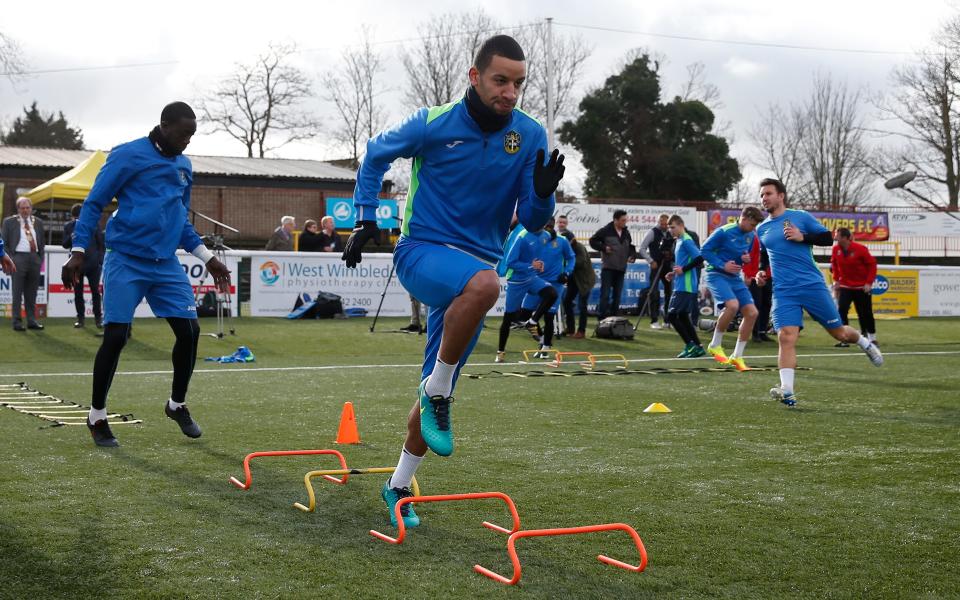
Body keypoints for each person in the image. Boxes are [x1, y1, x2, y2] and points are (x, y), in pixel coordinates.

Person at [342, 35, 563, 528]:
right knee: (488, 288)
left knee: (436, 393)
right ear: (475, 77)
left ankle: (397, 485)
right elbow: (376, 153)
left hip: (473, 269)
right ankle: (437, 389)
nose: (510, 92)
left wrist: (545, 198)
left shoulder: (529, 135)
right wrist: (366, 217)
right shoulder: (432, 122)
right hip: (423, 252)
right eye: (500, 80)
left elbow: (531, 218)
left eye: (518, 83)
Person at [61, 101, 232, 447]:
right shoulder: (128, 155)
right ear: (165, 126)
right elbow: (94, 203)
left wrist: (207, 256)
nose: (188, 141)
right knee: (116, 337)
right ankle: (96, 415)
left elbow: (180, 220)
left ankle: (176, 404)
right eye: (184, 134)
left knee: (190, 331)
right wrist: (78, 250)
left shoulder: (184, 165)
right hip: (126, 259)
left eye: (192, 135)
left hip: (165, 263)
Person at [756, 178, 882, 407]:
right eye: (762, 194)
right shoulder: (761, 228)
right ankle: (788, 390)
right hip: (784, 291)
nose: (764, 198)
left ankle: (865, 343)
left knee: (840, 334)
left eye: (768, 193)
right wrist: (761, 272)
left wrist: (802, 237)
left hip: (812, 285)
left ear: (781, 195)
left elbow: (826, 238)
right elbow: (765, 256)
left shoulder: (801, 217)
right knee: (786, 336)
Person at [701, 206, 764, 372]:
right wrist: (723, 265)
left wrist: (744, 259)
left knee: (752, 313)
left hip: (735, 277)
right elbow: (704, 250)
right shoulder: (723, 231)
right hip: (716, 274)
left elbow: (741, 256)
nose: (753, 228)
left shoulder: (751, 235)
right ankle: (715, 344)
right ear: (744, 219)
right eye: (752, 224)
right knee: (733, 305)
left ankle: (737, 356)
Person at [496, 225, 556, 362]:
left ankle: (532, 322)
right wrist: (531, 266)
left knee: (551, 293)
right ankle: (500, 352)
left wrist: (540, 264)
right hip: (516, 280)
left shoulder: (545, 235)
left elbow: (538, 254)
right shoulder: (522, 236)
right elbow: (510, 262)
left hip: (532, 278)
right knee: (509, 317)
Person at [519, 217, 574, 357]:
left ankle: (546, 347)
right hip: (536, 282)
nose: (548, 227)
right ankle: (543, 340)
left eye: (551, 224)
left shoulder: (562, 240)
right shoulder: (532, 239)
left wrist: (566, 272)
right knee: (525, 314)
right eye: (546, 224)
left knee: (549, 316)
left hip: (555, 283)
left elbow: (571, 258)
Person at [664, 215, 706, 358]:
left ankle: (690, 345)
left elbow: (700, 258)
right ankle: (698, 346)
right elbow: (683, 264)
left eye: (673, 227)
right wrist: (673, 273)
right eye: (669, 228)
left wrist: (683, 270)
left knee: (671, 315)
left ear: (681, 225)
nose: (670, 230)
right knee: (681, 316)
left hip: (685, 286)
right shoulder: (679, 240)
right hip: (682, 284)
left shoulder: (687, 240)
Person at [2, 197, 46, 331]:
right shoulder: (9, 222)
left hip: (34, 258)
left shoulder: (38, 222)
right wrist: (12, 258)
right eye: (23, 208)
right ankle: (16, 322)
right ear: (18, 209)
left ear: (31, 209)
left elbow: (42, 243)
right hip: (18, 258)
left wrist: (39, 258)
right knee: (17, 291)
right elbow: (4, 242)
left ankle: (32, 320)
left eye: (28, 208)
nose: (25, 210)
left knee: (32, 292)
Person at [831, 227, 878, 347]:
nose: (835, 237)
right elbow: (834, 265)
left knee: (865, 313)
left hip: (861, 287)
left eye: (838, 235)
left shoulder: (860, 249)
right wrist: (836, 280)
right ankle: (844, 337)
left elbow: (872, 265)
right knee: (842, 309)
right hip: (845, 286)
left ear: (846, 238)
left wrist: (868, 283)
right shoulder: (836, 249)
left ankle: (871, 338)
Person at [62, 203, 105, 328]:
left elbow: (101, 244)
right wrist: (72, 235)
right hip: (76, 266)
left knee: (95, 292)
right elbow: (64, 244)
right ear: (72, 217)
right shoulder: (68, 227)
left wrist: (99, 260)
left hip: (93, 265)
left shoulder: (94, 225)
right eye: (76, 217)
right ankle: (80, 319)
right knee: (78, 292)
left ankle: (98, 319)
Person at [589, 209, 635, 320]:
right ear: (615, 220)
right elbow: (592, 241)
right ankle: (602, 318)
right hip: (608, 268)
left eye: (626, 220)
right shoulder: (605, 230)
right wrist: (604, 248)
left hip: (621, 269)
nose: (625, 222)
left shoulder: (626, 232)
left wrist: (632, 255)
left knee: (617, 296)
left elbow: (631, 247)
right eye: (623, 220)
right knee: (605, 295)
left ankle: (615, 319)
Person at [638, 213, 673, 329]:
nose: (664, 226)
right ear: (658, 222)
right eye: (661, 223)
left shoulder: (670, 233)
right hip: (655, 266)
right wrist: (650, 260)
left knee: (669, 292)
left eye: (665, 224)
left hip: (667, 266)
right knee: (654, 292)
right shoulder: (652, 232)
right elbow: (642, 248)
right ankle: (654, 320)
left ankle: (667, 320)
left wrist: (670, 255)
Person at [564, 230, 596, 339]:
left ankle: (581, 331)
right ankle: (570, 328)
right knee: (567, 301)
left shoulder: (579, 247)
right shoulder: (566, 248)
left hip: (584, 280)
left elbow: (580, 262)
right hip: (574, 279)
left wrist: (567, 263)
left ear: (572, 240)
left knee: (582, 305)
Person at [743, 236, 773, 342]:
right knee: (756, 303)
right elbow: (747, 257)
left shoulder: (770, 238)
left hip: (768, 275)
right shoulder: (751, 238)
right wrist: (746, 274)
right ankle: (755, 333)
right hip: (754, 276)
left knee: (766, 303)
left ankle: (762, 332)